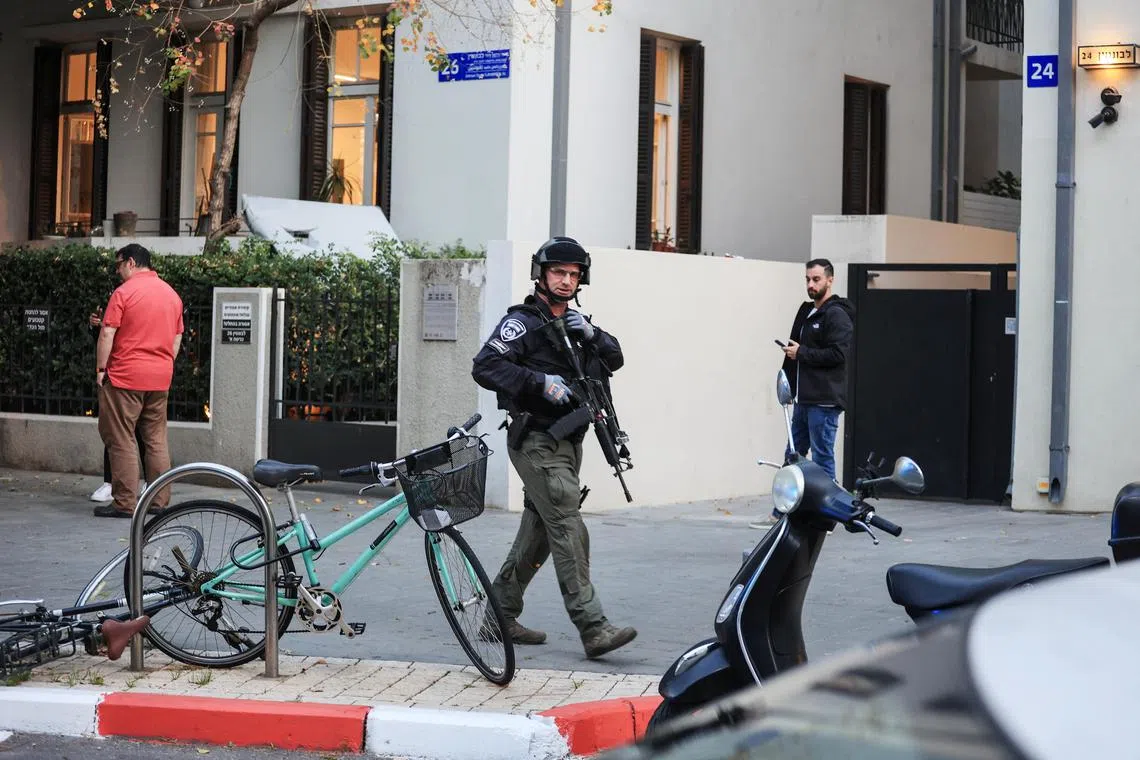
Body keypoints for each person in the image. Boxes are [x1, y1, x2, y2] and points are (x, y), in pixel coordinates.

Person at [471, 237, 637, 659]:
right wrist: (537, 382)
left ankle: (499, 613)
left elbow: (615, 360)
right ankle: (593, 626)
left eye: (574, 274)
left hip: (569, 441)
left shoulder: (578, 327)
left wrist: (594, 333)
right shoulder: (523, 324)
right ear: (541, 275)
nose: (566, 281)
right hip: (536, 440)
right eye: (559, 273)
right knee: (568, 524)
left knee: (542, 530)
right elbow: (485, 364)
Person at [94, 244, 184, 518]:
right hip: (159, 378)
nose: (118, 270)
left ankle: (125, 502)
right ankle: (159, 502)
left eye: (119, 264)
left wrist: (100, 369)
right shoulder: (171, 294)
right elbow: (176, 337)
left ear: (131, 262)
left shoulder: (123, 293)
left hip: (125, 376)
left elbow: (107, 333)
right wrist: (165, 364)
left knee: (121, 439)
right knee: (156, 439)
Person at [780, 258, 854, 482]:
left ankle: (829, 515)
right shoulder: (807, 312)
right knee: (793, 458)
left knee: (822, 461)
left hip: (824, 402)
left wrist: (801, 352)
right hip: (804, 400)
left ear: (830, 280)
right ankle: (785, 513)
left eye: (816, 279)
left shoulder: (836, 314)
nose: (811, 284)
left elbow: (839, 355)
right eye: (807, 279)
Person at [88, 307, 147, 503]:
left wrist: (101, 370)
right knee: (117, 431)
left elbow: (110, 334)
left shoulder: (132, 300)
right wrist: (96, 325)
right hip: (120, 373)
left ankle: (133, 487)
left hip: (128, 372)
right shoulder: (120, 298)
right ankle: (112, 483)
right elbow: (105, 335)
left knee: (135, 432)